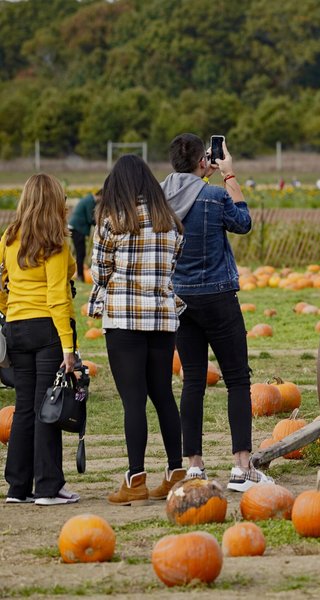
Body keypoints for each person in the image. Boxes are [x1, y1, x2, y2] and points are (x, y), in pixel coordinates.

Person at [161, 134, 272, 492]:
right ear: (202, 161)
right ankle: (242, 466)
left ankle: (194, 465)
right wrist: (229, 175)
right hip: (219, 296)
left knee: (193, 380)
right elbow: (243, 223)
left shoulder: (161, 197)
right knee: (237, 379)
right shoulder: (214, 195)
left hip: (181, 299)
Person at [88, 155, 185, 506]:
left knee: (133, 401)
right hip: (161, 319)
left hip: (125, 319)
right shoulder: (170, 222)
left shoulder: (113, 221)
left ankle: (135, 479)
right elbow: (172, 265)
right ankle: (176, 473)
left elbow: (99, 272)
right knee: (163, 396)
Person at [1, 174, 80, 506]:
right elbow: (58, 296)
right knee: (48, 407)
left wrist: (7, 310)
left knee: (24, 408)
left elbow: (1, 282)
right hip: (47, 329)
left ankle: (17, 487)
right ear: (55, 203)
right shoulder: (55, 243)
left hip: (16, 327)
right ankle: (48, 486)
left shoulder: (9, 237)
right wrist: (68, 348)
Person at [67, 190, 99, 283]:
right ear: (100, 196)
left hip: (75, 228)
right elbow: (90, 218)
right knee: (80, 253)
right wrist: (100, 224)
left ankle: (80, 275)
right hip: (77, 229)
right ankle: (80, 276)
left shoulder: (88, 199)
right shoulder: (90, 201)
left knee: (80, 253)